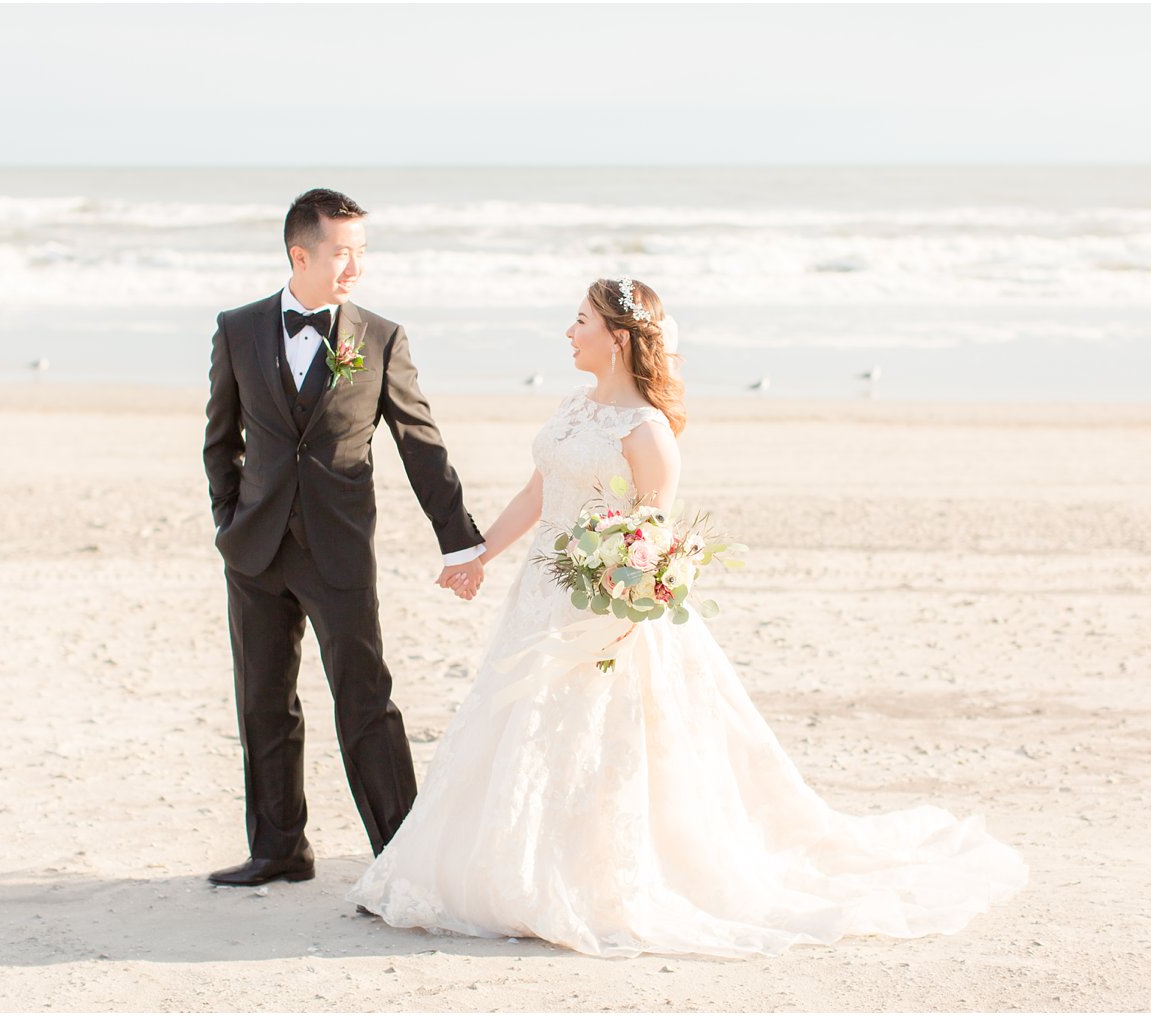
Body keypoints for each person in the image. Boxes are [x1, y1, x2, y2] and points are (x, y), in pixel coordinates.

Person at [346, 277, 1028, 957]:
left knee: (594, 732)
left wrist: (618, 615)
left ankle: (583, 878)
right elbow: (538, 491)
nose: (568, 331)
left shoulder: (647, 433)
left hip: (603, 605)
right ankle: (504, 866)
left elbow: (651, 546)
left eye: (579, 320)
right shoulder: (572, 406)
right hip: (538, 595)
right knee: (519, 718)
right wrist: (480, 555)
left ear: (616, 338)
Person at [202, 188, 486, 887]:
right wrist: (230, 521)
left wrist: (460, 540)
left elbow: (421, 444)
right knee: (263, 700)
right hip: (257, 550)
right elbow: (219, 439)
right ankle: (278, 850)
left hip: (338, 550)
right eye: (342, 253)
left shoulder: (380, 338)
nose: (355, 266)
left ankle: (403, 857)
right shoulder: (237, 330)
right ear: (301, 254)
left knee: (364, 700)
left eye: (362, 252)